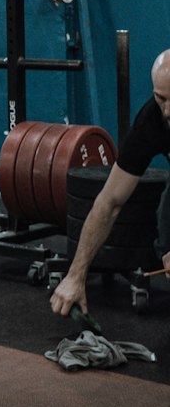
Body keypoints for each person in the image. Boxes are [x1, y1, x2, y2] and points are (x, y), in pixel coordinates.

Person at [50, 48, 170, 317]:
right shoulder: (152, 121)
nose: (168, 110)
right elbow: (109, 201)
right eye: (161, 98)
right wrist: (76, 275)